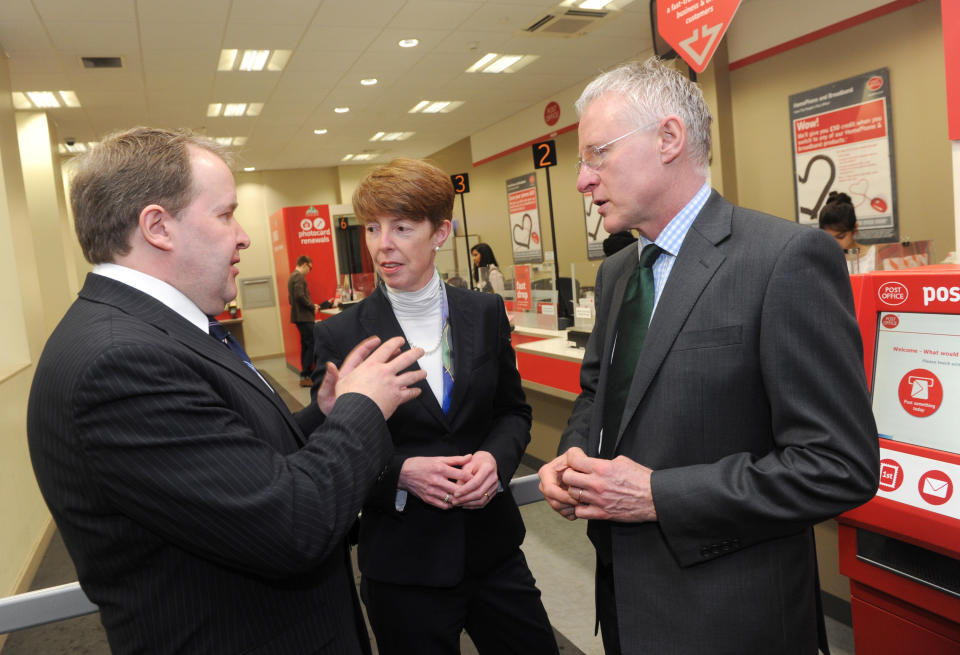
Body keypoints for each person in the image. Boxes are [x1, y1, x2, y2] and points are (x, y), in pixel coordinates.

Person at [27, 127, 429, 655]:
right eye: (224, 215)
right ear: (157, 227)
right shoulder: (120, 362)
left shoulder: (155, 331)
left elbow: (228, 460)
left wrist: (323, 416)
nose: (242, 236)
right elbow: (292, 524)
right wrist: (362, 406)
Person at [537, 58, 879, 655]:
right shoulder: (619, 271)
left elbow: (837, 465)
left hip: (731, 616)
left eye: (597, 154)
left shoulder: (784, 260)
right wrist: (573, 458)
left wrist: (658, 495)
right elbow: (599, 393)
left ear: (669, 139)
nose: (582, 180)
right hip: (625, 601)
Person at [312, 158, 558, 655]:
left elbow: (512, 411)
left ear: (440, 231)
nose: (383, 244)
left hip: (492, 550)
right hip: (404, 562)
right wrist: (399, 472)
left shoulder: (484, 313)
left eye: (402, 228)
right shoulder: (340, 334)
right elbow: (328, 446)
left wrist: (495, 460)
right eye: (373, 228)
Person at [819, 190, 876, 272]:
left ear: (855, 228)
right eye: (828, 238)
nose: (834, 242)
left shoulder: (873, 255)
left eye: (840, 236)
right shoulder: (822, 260)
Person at [289, 254, 320, 386]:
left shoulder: (292, 277)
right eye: (310, 268)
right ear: (305, 265)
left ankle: (305, 375)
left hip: (298, 317)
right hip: (304, 317)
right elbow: (299, 296)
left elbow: (292, 299)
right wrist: (312, 306)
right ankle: (307, 375)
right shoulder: (299, 277)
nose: (309, 271)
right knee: (311, 345)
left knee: (306, 345)